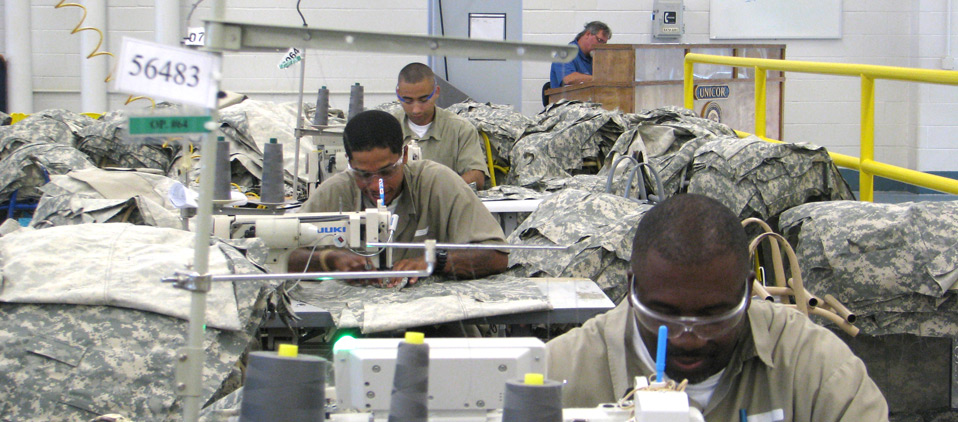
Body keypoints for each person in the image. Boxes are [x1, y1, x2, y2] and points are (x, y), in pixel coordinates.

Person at [545, 194, 889, 421]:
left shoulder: (815, 370)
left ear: (747, 291)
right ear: (632, 287)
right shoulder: (561, 374)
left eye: (714, 317)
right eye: (662, 314)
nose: (688, 338)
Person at [290, 109, 508, 287]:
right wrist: (329, 260)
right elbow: (284, 257)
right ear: (348, 161)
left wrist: (435, 260)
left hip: (436, 325)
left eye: (387, 172)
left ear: (404, 155)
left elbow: (497, 256)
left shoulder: (438, 183)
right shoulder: (335, 192)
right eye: (364, 174)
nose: (378, 186)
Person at [392, 62, 489, 188]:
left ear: (436, 92)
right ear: (398, 94)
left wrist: (440, 191)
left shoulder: (460, 129)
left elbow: (476, 177)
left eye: (423, 100)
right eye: (408, 100)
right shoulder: (386, 129)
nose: (416, 109)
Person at [549, 21, 611, 89]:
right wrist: (600, 79)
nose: (601, 46)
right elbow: (568, 79)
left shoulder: (594, 57)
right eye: (599, 40)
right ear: (587, 34)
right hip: (567, 98)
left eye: (604, 43)